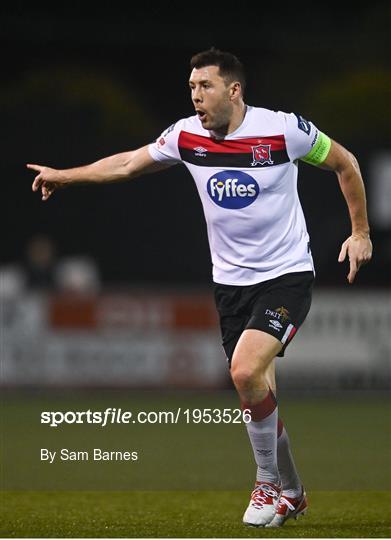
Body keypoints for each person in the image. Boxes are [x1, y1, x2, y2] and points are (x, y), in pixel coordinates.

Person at [27, 48, 372, 528]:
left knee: (245, 370)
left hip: (286, 275)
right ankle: (292, 492)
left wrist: (360, 233)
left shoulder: (282, 131)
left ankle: (267, 482)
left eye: (204, 86)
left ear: (234, 89)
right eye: (191, 88)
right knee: (256, 390)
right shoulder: (187, 137)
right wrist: (67, 176)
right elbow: (129, 164)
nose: (196, 97)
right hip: (230, 284)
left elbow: (346, 163)